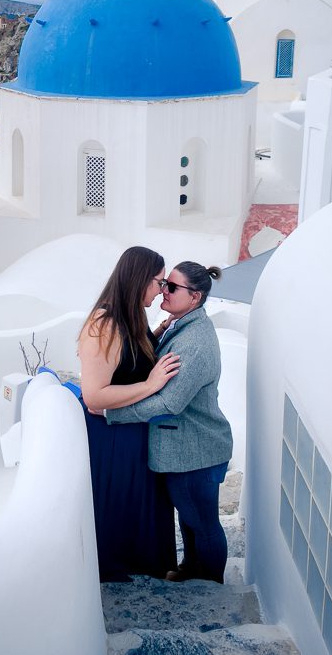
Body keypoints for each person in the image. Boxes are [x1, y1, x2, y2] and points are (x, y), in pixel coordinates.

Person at [106, 261, 233, 583]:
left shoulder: (194, 343)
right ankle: (191, 569)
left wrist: (111, 412)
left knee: (202, 523)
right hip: (188, 447)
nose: (164, 290)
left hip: (196, 449)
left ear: (195, 298)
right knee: (189, 520)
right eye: (164, 284)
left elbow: (169, 403)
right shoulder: (182, 325)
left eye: (172, 287)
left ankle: (209, 585)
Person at [79, 246, 181, 582]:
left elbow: (125, 363)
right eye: (159, 282)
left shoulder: (131, 316)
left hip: (130, 433)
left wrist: (155, 335)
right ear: (139, 280)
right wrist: (152, 385)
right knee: (119, 509)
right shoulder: (103, 324)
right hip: (112, 439)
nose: (162, 290)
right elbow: (95, 394)